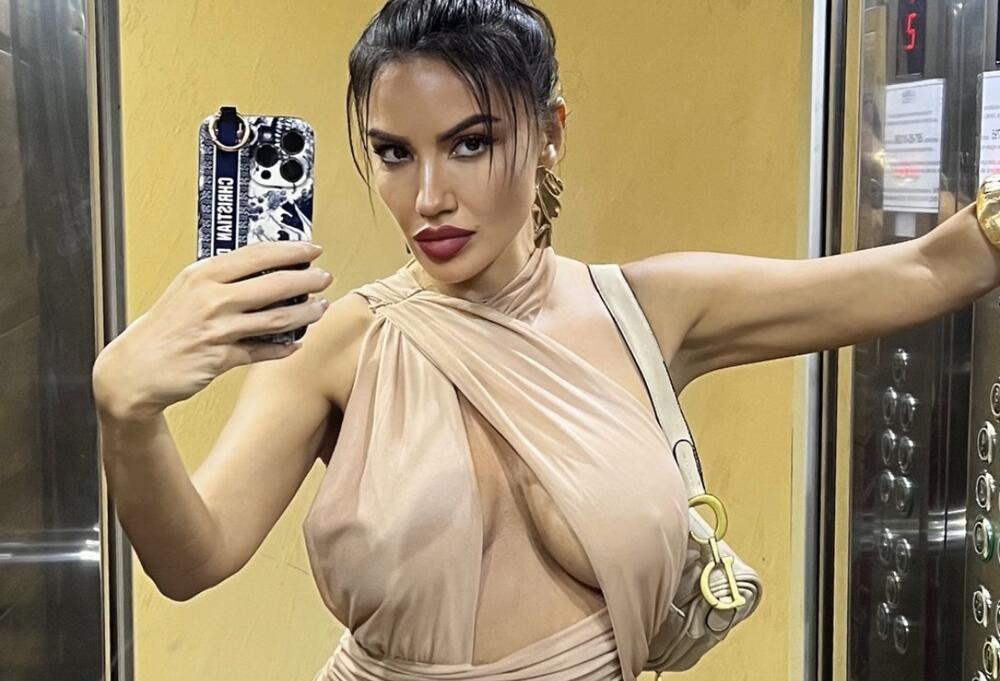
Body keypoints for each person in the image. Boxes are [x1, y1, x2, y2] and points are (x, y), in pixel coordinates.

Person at [90, 1, 1000, 680]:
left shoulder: (649, 309)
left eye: (470, 143)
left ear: (551, 134)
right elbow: (192, 559)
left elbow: (931, 268)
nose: (428, 196)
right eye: (395, 152)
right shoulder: (343, 345)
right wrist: (128, 412)